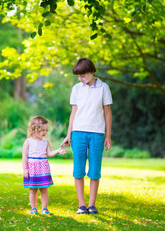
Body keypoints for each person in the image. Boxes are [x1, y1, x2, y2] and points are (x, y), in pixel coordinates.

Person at [62, 58, 112, 215]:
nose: (80, 79)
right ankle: (81, 205)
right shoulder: (77, 89)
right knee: (78, 170)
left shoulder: (104, 88)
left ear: (91, 72)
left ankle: (92, 205)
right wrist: (68, 134)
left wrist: (108, 136)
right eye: (78, 76)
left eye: (82, 75)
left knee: (95, 170)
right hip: (78, 133)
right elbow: (74, 112)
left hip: (97, 133)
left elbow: (107, 112)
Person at [22, 116, 67, 215]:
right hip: (32, 168)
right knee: (33, 190)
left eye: (46, 130)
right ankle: (33, 208)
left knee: (44, 189)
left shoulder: (45, 142)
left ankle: (44, 208)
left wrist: (57, 151)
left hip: (43, 168)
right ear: (34, 129)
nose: (44, 132)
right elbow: (24, 156)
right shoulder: (28, 141)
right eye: (42, 130)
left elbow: (49, 154)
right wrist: (25, 169)